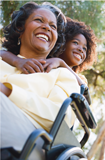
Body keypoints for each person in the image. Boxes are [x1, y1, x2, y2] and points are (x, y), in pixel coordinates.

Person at [0, 2, 80, 159]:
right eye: (38, 20)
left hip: (29, 139)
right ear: (20, 29)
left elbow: (59, 119)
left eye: (53, 26)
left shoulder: (61, 75)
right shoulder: (3, 60)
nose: (47, 27)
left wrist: (8, 91)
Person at [1, 17, 97, 86]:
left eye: (84, 48)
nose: (81, 49)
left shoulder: (80, 79)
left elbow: (84, 92)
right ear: (62, 42)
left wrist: (61, 63)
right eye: (76, 42)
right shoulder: (44, 62)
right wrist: (17, 61)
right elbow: (2, 53)